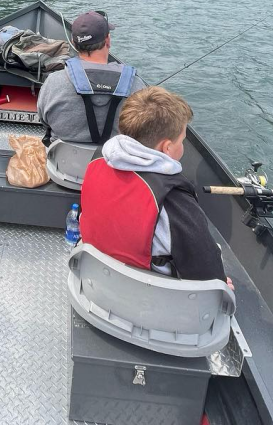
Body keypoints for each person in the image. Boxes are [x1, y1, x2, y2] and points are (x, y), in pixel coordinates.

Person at [79, 86, 227, 282]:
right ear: (166, 147)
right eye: (182, 140)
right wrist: (221, 282)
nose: (182, 147)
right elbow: (208, 274)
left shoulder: (99, 159)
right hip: (146, 297)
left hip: (94, 275)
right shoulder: (173, 197)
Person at [37, 11, 144, 145]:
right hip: (116, 165)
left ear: (73, 43)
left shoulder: (53, 82)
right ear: (108, 40)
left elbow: (44, 122)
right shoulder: (137, 86)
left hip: (63, 164)